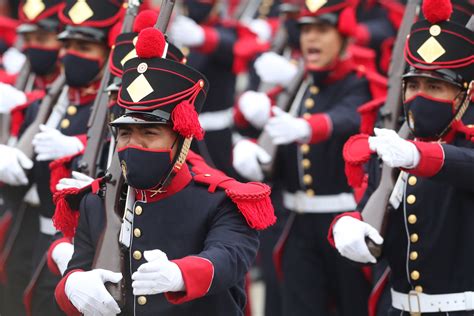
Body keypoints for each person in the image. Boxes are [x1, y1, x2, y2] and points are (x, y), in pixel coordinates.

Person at [53, 27, 275, 316]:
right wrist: (72, 286)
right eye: (125, 133)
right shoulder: (95, 201)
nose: (134, 144)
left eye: (149, 133)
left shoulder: (219, 201)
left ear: (181, 140)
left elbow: (230, 257)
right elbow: (75, 270)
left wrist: (180, 274)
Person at [232, 0, 386, 315]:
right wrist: (248, 142)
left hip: (344, 223)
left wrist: (305, 127)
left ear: (343, 37)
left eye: (322, 30)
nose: (311, 38)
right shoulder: (300, 84)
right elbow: (256, 121)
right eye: (306, 30)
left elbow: (350, 116)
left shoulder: (358, 80)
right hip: (296, 226)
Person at [329, 0, 474, 315]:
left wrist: (415, 155)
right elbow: (371, 208)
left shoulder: (450, 148)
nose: (420, 96)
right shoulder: (396, 146)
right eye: (413, 85)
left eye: (436, 86)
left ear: (464, 96)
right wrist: (347, 225)